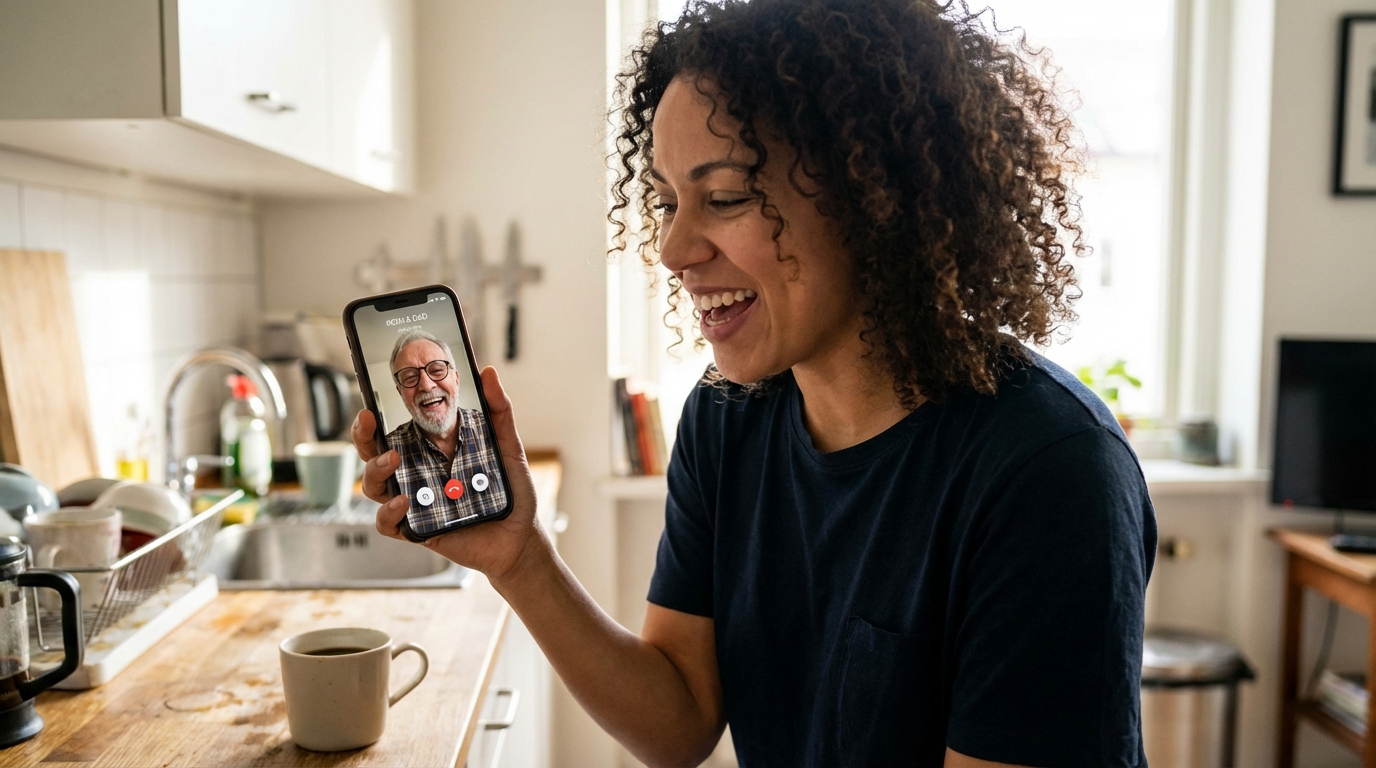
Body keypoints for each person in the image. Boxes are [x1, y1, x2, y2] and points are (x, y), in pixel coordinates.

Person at [352, 1, 1156, 765]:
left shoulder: (1049, 472)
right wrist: (521, 561)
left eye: (726, 196)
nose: (671, 249)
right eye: (667, 201)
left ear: (877, 195)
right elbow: (679, 725)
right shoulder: (727, 419)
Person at [383, 330, 506, 532]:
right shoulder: (388, 453)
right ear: (400, 392)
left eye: (437, 370)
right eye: (410, 377)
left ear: (456, 378)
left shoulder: (493, 429)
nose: (426, 385)